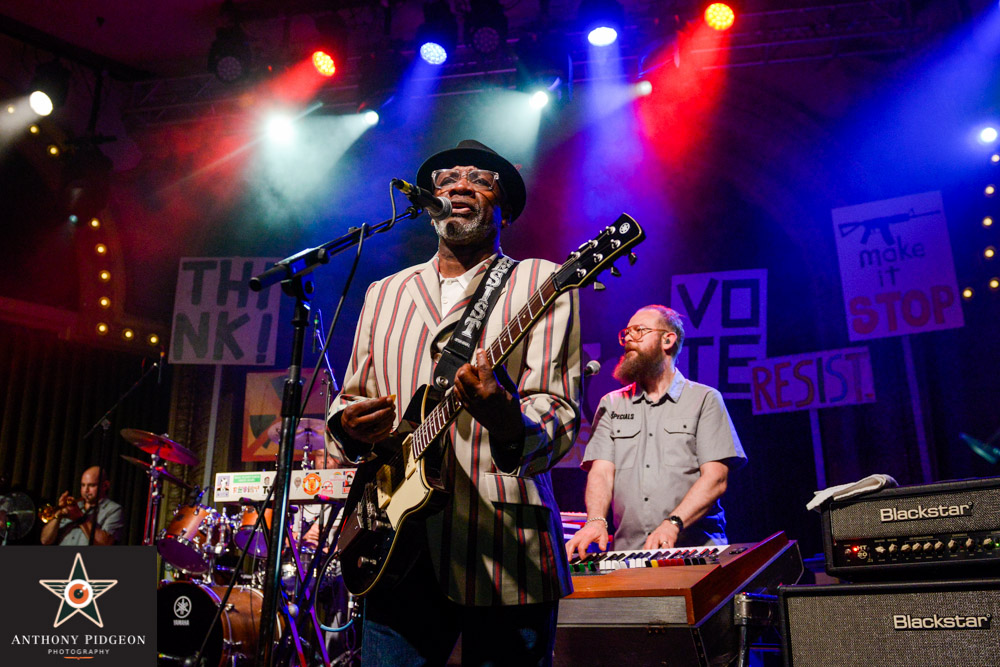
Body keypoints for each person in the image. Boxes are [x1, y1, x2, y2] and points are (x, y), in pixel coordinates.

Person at [326, 139, 581, 666]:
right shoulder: (384, 292)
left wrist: (506, 418)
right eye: (446, 179)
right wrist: (348, 423)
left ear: (504, 206)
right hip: (393, 543)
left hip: (503, 545)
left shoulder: (543, 280)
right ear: (428, 202)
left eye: (480, 179)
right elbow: (350, 396)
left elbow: (558, 410)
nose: (460, 185)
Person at [566, 305, 746, 559]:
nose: (629, 338)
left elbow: (716, 478)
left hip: (697, 553)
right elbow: (601, 472)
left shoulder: (704, 399)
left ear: (668, 340)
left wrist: (673, 523)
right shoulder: (611, 403)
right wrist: (595, 520)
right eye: (626, 333)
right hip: (629, 556)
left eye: (639, 330)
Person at [41, 466, 125, 546]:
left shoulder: (114, 510)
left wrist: (79, 518)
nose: (86, 490)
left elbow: (104, 543)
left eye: (91, 485)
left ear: (105, 485)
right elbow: (45, 540)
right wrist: (58, 515)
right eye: (83, 485)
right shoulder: (73, 506)